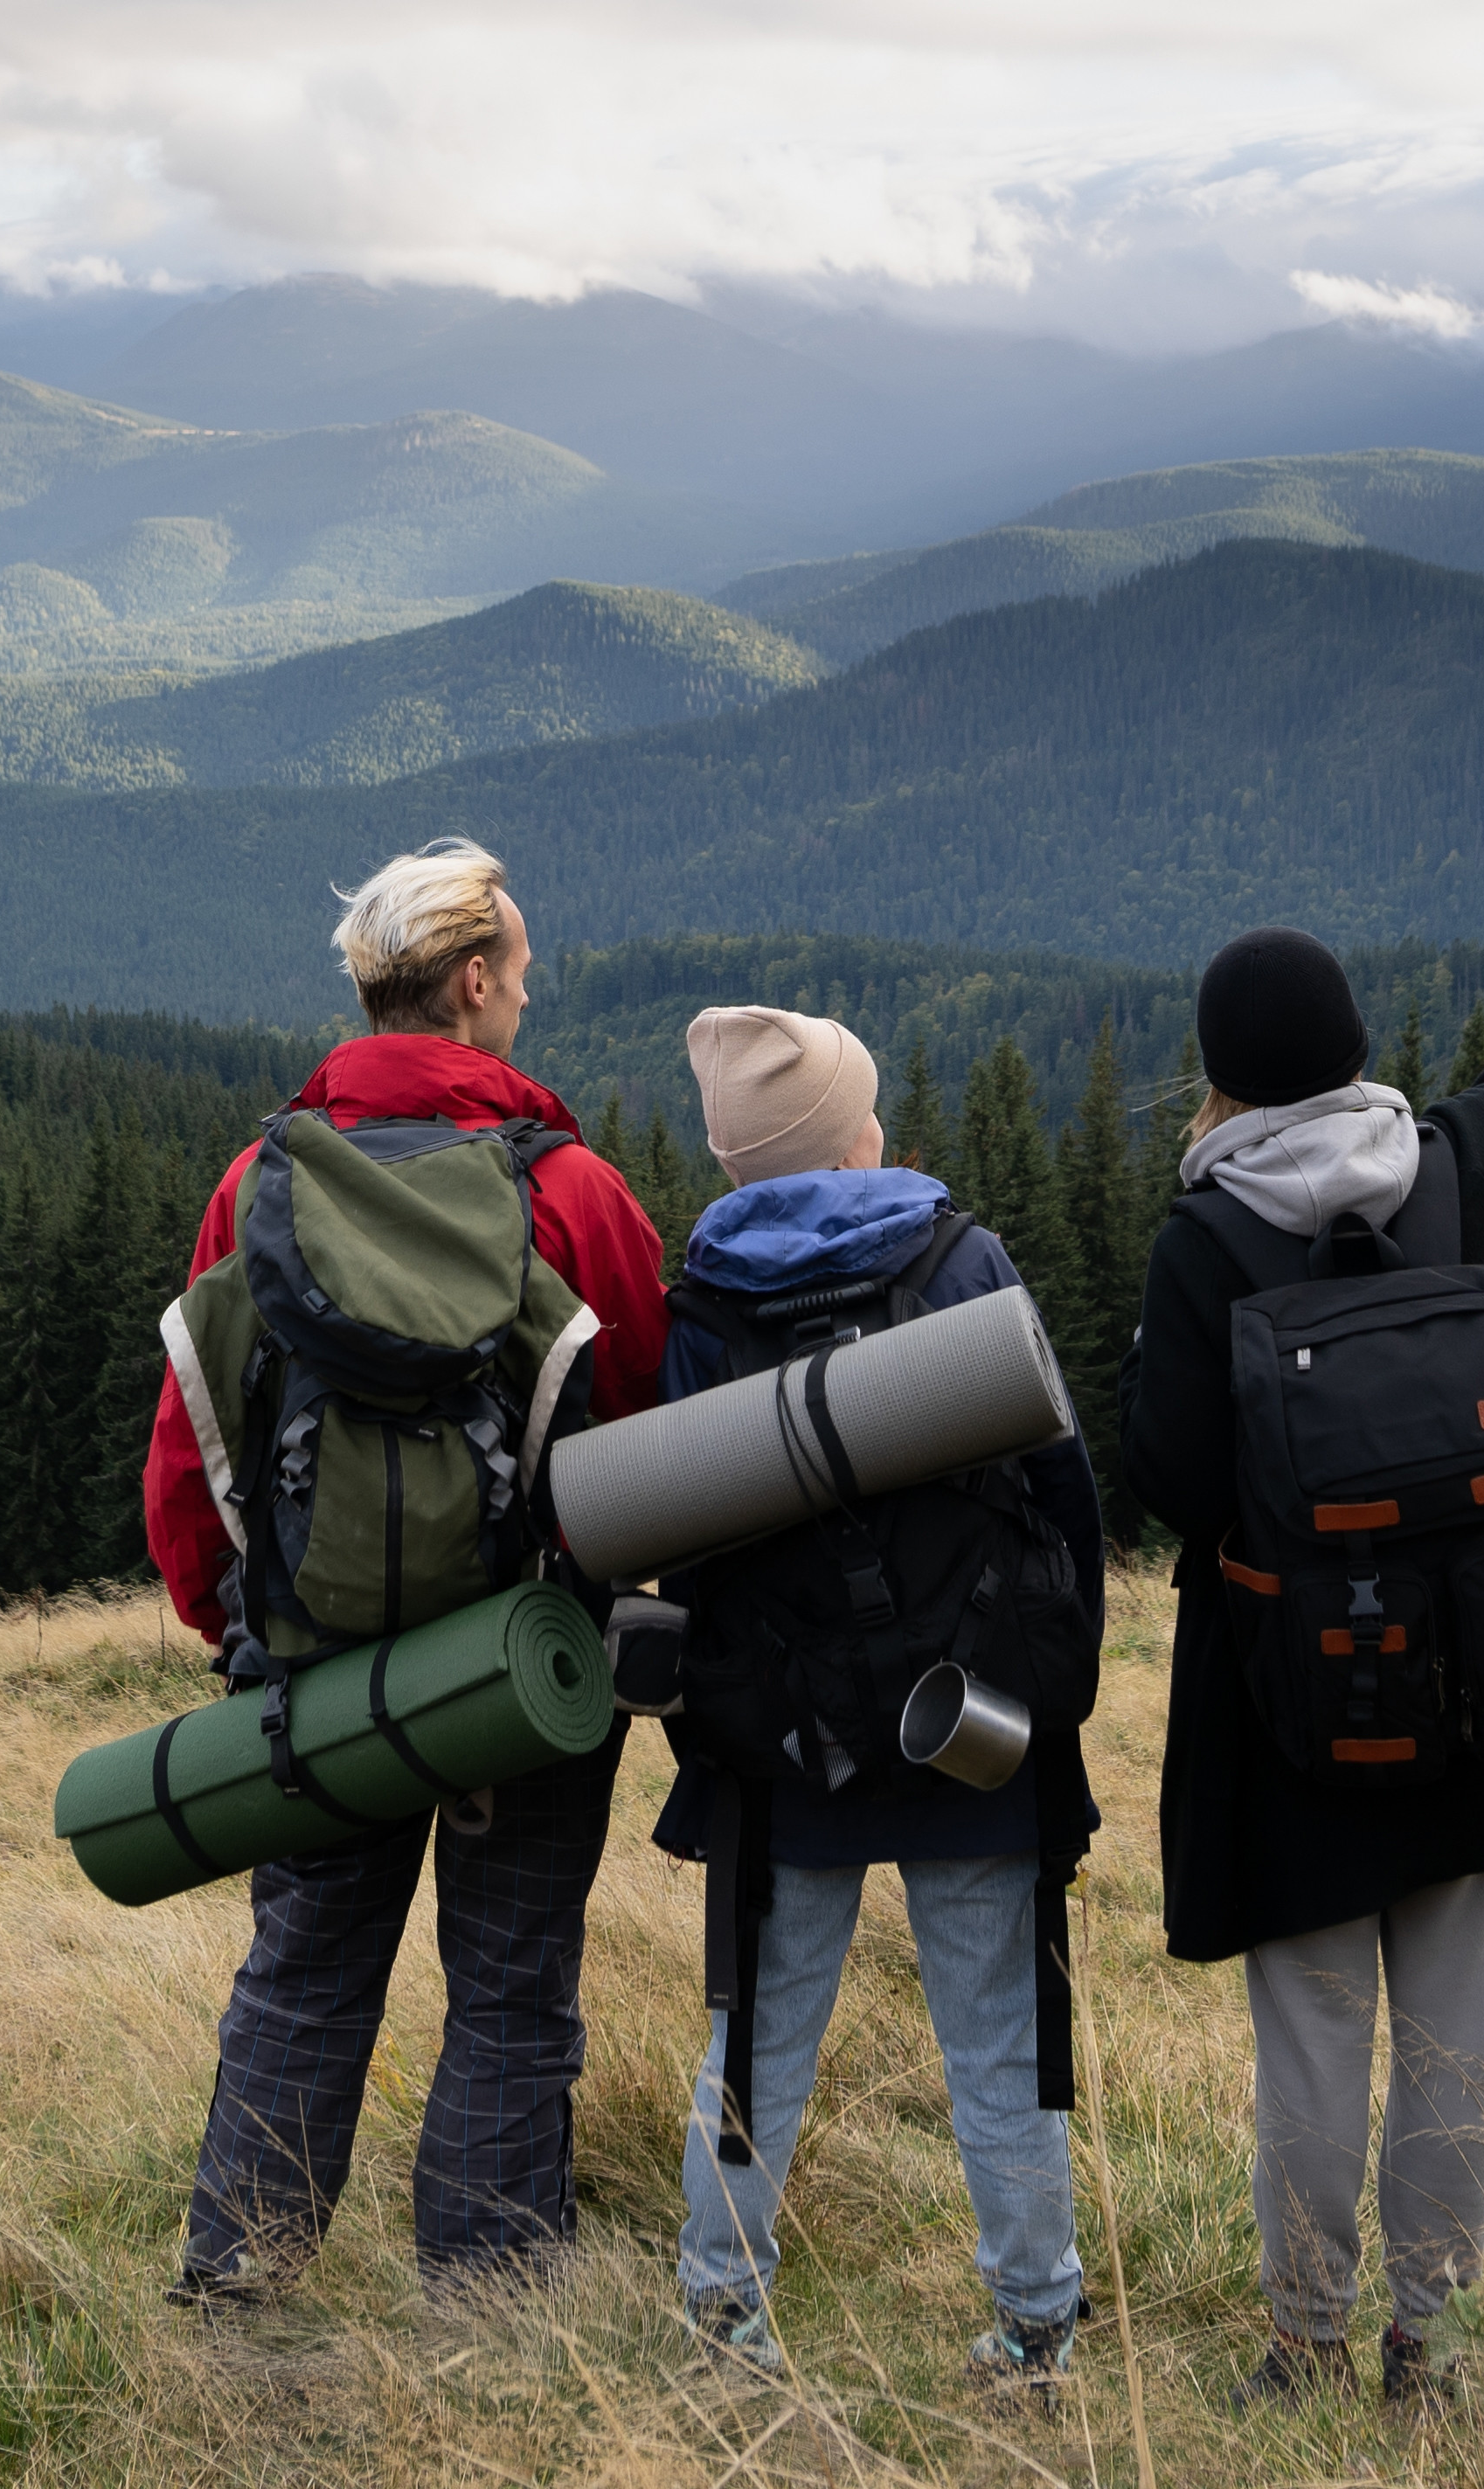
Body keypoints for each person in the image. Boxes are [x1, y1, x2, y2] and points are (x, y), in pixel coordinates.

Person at [1125, 894, 1484, 2408]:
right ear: (1356, 1049)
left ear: (1219, 1079)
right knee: (1459, 2046)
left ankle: (1307, 2342)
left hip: (1292, 1716)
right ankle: (1431, 2346)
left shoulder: (1206, 1239)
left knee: (1315, 2041)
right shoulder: (1449, 1170)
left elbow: (1171, 1475)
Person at [142, 837, 673, 2307]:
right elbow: (649, 1430)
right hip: (526, 1672)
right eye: (523, 969)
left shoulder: (259, 1187)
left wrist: (243, 1627)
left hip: (314, 1680)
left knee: (305, 1977)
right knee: (511, 1988)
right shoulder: (570, 1194)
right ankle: (489, 2307)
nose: (529, 992)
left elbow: (193, 1449)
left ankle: (238, 2291)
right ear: (474, 980)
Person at [646, 1005, 1106, 2393]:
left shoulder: (702, 1304)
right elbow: (1060, 1485)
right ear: (857, 1141)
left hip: (787, 1747)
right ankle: (1036, 2330)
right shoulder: (962, 1261)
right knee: (999, 2046)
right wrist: (1058, 1676)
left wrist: (725, 1723)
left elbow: (684, 1545)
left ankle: (724, 2324)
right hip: (976, 1722)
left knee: (755, 2048)